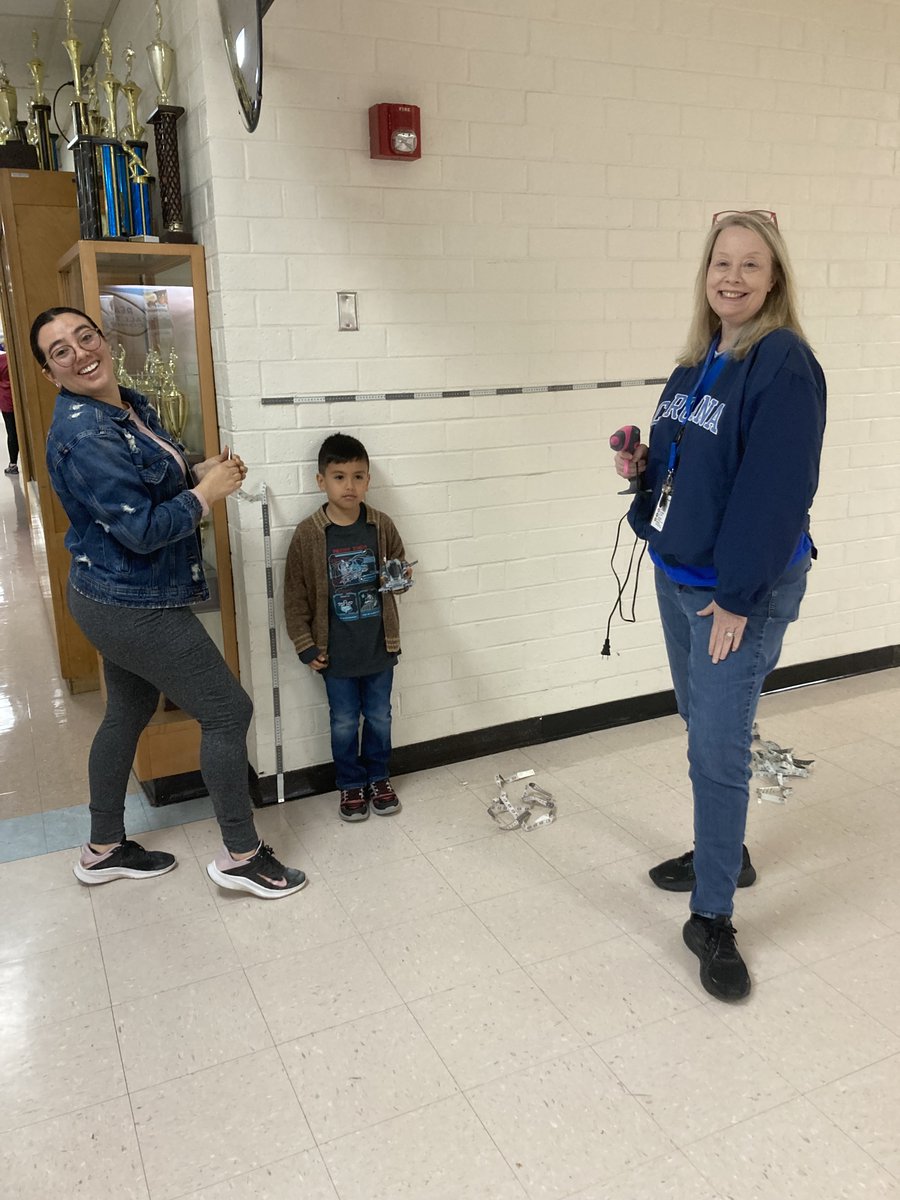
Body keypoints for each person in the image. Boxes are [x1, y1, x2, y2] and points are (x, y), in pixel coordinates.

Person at [613, 211, 826, 1001]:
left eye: (750, 265)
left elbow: (777, 494)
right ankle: (725, 850)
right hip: (682, 577)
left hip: (735, 594)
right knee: (699, 723)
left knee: (718, 747)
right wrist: (641, 467)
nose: (732, 277)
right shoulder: (697, 362)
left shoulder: (782, 364)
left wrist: (737, 596)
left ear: (775, 280)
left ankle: (713, 916)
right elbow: (681, 469)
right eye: (720, 264)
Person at [30, 306, 306, 898]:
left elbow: (150, 481)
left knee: (127, 711)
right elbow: (144, 531)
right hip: (130, 603)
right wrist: (206, 494)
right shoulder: (84, 435)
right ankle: (242, 856)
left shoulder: (122, 403)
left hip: (111, 593)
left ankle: (101, 850)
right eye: (60, 352)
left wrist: (197, 470)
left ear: (103, 340)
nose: (80, 353)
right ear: (51, 375)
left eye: (85, 336)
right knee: (228, 712)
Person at [284, 433, 409, 822]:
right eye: (339, 477)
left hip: (378, 648)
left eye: (358, 476)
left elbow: (399, 567)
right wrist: (306, 645)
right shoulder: (309, 534)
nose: (349, 485)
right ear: (321, 481)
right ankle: (349, 783)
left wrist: (399, 578)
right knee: (342, 720)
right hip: (333, 654)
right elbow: (294, 595)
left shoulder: (380, 525)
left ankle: (378, 776)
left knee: (380, 716)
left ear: (368, 480)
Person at [0, 339, 19, 475]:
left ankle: (13, 464)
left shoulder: (1, 360)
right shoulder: (14, 359)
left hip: (6, 401)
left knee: (11, 433)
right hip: (20, 399)